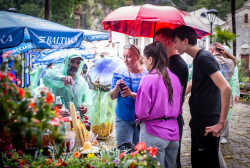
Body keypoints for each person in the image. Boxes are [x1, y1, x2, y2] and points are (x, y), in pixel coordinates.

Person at [172, 25, 232, 168]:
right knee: (199, 162)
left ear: (185, 40)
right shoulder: (198, 58)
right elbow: (193, 83)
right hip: (199, 119)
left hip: (208, 120)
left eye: (175, 41)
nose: (174, 45)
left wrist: (221, 124)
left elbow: (226, 88)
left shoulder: (204, 57)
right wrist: (176, 99)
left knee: (206, 163)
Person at [134, 41, 182, 168]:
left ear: (150, 59)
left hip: (153, 133)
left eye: (143, 59)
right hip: (173, 133)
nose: (143, 62)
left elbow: (141, 112)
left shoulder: (148, 78)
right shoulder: (175, 78)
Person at [154, 27, 189, 168]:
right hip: (167, 121)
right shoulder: (169, 63)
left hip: (171, 121)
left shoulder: (176, 65)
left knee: (172, 162)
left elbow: (173, 98)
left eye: (158, 43)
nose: (155, 46)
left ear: (168, 42)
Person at [109, 44, 147, 150]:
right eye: (124, 56)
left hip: (141, 119)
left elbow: (148, 98)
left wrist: (131, 94)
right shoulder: (119, 72)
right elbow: (112, 96)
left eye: (129, 56)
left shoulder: (147, 74)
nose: (125, 60)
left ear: (138, 57)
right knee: (123, 152)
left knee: (139, 153)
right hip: (123, 118)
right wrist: (117, 88)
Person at [43, 50, 92, 118]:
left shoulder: (82, 81)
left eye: (78, 63)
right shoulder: (57, 74)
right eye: (72, 61)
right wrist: (62, 78)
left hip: (76, 121)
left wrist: (85, 107)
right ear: (66, 62)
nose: (75, 65)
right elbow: (46, 78)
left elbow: (87, 98)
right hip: (60, 121)